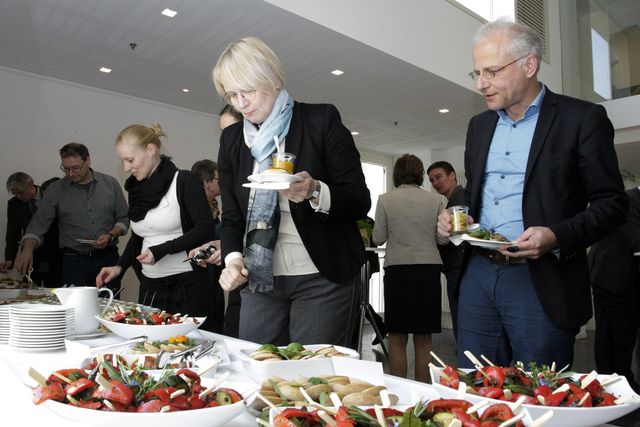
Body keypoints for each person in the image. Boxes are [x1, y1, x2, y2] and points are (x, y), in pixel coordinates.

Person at [436, 18, 627, 369]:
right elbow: (473, 194)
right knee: (473, 389)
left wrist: (555, 236)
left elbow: (612, 204)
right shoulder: (479, 126)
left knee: (539, 396)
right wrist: (454, 216)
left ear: (529, 65)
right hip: (477, 275)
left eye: (491, 72)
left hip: (541, 279)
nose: (481, 84)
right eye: (476, 73)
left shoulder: (582, 119)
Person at [212, 37, 370, 346]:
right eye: (232, 94)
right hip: (259, 278)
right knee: (259, 368)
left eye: (248, 91)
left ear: (273, 79)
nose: (241, 103)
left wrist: (314, 192)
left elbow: (358, 200)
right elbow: (232, 216)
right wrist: (232, 260)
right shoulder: (232, 139)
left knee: (311, 379)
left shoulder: (320, 121)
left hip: (321, 276)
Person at [96, 124, 216, 329]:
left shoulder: (184, 181)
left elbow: (205, 228)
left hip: (187, 286)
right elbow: (139, 237)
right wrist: (119, 267)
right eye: (123, 161)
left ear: (151, 150)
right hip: (150, 286)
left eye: (130, 160)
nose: (126, 168)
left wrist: (161, 250)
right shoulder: (136, 189)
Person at [15, 144, 129, 292]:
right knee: (76, 309)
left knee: (109, 307)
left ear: (87, 160)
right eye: (66, 169)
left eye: (76, 168)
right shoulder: (56, 189)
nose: (71, 173)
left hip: (108, 258)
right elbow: (38, 224)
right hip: (74, 261)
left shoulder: (110, 184)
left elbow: (124, 218)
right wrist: (27, 249)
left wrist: (110, 234)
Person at [372, 154, 443, 382]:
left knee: (397, 337)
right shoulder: (437, 200)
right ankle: (424, 393)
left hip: (398, 271)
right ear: (420, 174)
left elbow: (379, 238)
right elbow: (442, 240)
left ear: (396, 174)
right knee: (424, 339)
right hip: (428, 271)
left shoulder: (385, 199)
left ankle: (399, 391)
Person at [589, 186, 640, 392]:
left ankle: (616, 383)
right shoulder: (629, 199)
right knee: (615, 337)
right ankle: (617, 386)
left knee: (616, 336)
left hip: (622, 278)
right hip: (612, 278)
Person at [1, 173, 62, 286]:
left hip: (56, 251)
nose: (18, 196)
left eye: (20, 192)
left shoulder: (50, 196)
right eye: (15, 194)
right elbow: (13, 233)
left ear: (31, 185)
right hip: (32, 254)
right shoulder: (14, 204)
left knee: (55, 286)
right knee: (32, 288)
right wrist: (10, 258)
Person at [427, 161, 465, 341]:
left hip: (459, 267)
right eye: (432, 180)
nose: (435, 183)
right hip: (456, 267)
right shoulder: (451, 200)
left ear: (452, 176)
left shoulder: (460, 199)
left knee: (460, 316)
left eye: (439, 177)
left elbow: (456, 236)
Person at [190, 159, 225, 333]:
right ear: (206, 182)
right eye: (219, 179)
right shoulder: (193, 206)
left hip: (215, 263)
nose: (223, 182)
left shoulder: (213, 205)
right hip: (199, 267)